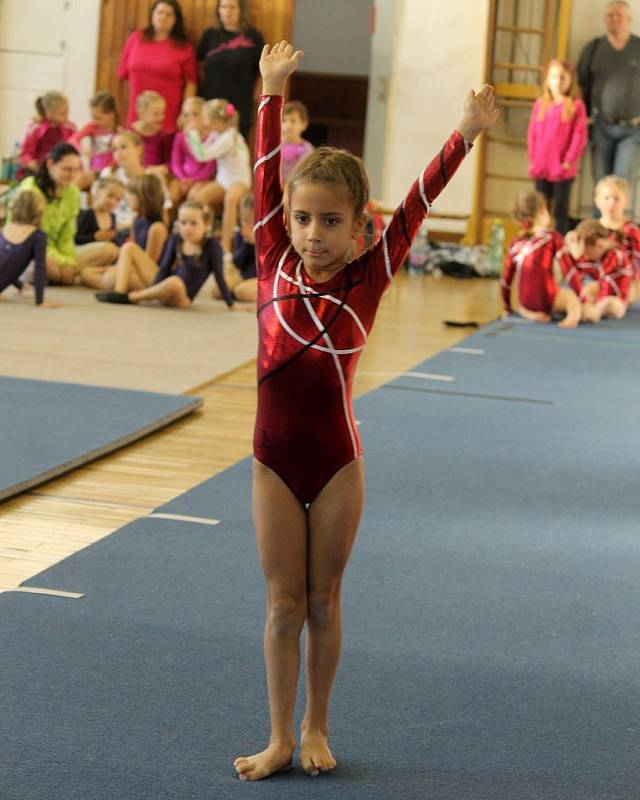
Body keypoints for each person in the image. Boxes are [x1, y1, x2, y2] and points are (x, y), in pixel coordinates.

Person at [232, 41, 498, 782]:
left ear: (358, 227)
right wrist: (270, 89)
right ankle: (279, 735)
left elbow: (420, 199)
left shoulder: (371, 275)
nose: (313, 235)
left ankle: (318, 725)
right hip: (272, 462)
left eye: (329, 222)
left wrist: (466, 133)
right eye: (303, 218)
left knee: (323, 598)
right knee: (282, 603)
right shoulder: (271, 257)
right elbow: (263, 168)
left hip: (338, 461)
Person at [95, 200, 234, 309]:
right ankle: (119, 293)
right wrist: (156, 288)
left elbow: (219, 276)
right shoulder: (176, 239)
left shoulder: (212, 246)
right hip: (163, 285)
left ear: (206, 224)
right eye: (183, 223)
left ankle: (131, 298)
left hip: (181, 296)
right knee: (129, 247)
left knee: (175, 282)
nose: (187, 228)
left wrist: (230, 304)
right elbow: (164, 267)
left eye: (193, 223)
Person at [16, 142, 118, 284]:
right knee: (47, 263)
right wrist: (62, 262)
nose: (72, 175)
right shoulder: (30, 189)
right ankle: (59, 274)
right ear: (51, 164)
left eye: (75, 170)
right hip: (32, 251)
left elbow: (67, 237)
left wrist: (68, 261)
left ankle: (61, 275)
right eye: (66, 169)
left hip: (58, 252)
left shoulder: (72, 193)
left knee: (109, 250)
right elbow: (29, 239)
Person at [577, 1, 640, 194]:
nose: (614, 19)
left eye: (618, 15)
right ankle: (598, 225)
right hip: (600, 126)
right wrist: (583, 118)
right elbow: (581, 85)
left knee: (620, 189)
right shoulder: (594, 48)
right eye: (610, 15)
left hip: (632, 130)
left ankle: (617, 226)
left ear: (629, 19)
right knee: (601, 188)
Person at [500, 191, 582, 327]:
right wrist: (580, 296)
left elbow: (505, 281)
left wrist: (507, 307)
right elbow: (569, 271)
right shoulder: (552, 236)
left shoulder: (516, 243)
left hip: (526, 301)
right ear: (543, 210)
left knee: (527, 302)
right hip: (547, 298)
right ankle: (572, 318)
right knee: (570, 298)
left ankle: (527, 311)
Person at [527, 59, 588, 234]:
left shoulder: (576, 106)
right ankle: (539, 241)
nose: (558, 81)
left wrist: (568, 161)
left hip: (562, 169)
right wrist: (533, 158)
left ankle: (559, 245)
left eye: (562, 77)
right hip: (541, 166)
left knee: (560, 210)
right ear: (548, 79)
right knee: (540, 208)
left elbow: (579, 137)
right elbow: (532, 134)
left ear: (570, 80)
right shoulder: (540, 104)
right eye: (554, 77)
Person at [118, 0, 196, 133]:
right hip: (137, 118)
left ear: (175, 20)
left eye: (169, 14)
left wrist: (185, 114)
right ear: (152, 15)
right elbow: (123, 74)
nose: (163, 17)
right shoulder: (136, 38)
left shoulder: (184, 47)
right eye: (159, 12)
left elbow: (191, 83)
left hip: (166, 120)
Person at [186, 98, 251, 253]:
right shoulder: (217, 134)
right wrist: (194, 135)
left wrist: (193, 134)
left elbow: (202, 155)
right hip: (223, 180)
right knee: (200, 199)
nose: (204, 121)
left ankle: (226, 244)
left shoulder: (229, 137)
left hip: (239, 180)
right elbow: (202, 150)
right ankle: (203, 235)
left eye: (206, 118)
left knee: (231, 199)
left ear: (216, 121)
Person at [82, 175, 167, 291]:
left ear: (143, 198)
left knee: (110, 278)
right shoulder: (137, 220)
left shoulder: (157, 228)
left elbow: (149, 263)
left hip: (148, 276)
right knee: (86, 273)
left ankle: (118, 288)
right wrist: (116, 268)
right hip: (131, 268)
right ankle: (113, 283)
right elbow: (128, 252)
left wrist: (118, 271)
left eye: (131, 195)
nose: (127, 199)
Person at [196, 0, 264, 139]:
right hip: (211, 102)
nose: (227, 11)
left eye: (232, 7)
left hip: (240, 104)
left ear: (241, 10)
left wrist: (257, 95)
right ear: (218, 10)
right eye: (223, 7)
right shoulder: (210, 34)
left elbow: (263, 69)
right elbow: (197, 62)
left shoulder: (253, 37)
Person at [561, 218, 633, 320]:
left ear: (599, 245)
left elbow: (600, 274)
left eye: (587, 254)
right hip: (600, 295)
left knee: (612, 305)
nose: (586, 257)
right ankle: (583, 307)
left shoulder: (616, 254)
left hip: (617, 300)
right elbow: (577, 273)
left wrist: (577, 256)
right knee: (583, 292)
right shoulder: (601, 251)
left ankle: (592, 311)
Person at [0, 190, 57, 307]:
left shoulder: (5, 229)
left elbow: (6, 262)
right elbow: (39, 268)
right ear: (39, 211)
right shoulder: (38, 235)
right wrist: (40, 301)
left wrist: (19, 285)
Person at [593, 174, 640, 301]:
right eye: (607, 198)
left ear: (626, 201)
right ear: (597, 200)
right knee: (590, 290)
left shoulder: (631, 229)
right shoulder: (593, 228)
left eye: (616, 199)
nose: (611, 203)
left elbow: (637, 259)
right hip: (599, 278)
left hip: (625, 279)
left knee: (622, 295)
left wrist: (637, 284)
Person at [169, 96, 216, 201]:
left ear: (205, 115)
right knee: (171, 194)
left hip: (203, 179)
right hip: (182, 178)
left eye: (195, 114)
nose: (190, 118)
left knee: (193, 196)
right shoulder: (180, 137)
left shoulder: (211, 137)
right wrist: (182, 178)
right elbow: (175, 163)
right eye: (186, 114)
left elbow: (210, 168)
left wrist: (193, 180)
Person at [18, 91, 75, 175]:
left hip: (60, 170)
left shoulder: (69, 128)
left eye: (67, 112)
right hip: (39, 169)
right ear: (48, 114)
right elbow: (26, 153)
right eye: (62, 114)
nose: (66, 116)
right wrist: (30, 162)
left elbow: (73, 150)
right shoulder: (35, 128)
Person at [214, 191, 257, 302]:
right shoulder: (239, 235)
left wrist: (255, 245)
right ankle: (236, 290)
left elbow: (267, 266)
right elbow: (237, 262)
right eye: (244, 220)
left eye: (252, 222)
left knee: (241, 292)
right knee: (217, 289)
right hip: (242, 276)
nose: (246, 225)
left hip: (259, 278)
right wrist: (246, 243)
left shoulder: (267, 238)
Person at [70, 91, 119, 187]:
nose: (95, 121)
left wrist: (109, 168)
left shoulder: (119, 132)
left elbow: (118, 157)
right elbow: (73, 140)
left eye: (99, 118)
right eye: (93, 117)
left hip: (112, 171)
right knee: (79, 179)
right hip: (94, 171)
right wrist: (82, 150)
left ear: (112, 114)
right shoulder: (92, 127)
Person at [131, 91, 174, 169]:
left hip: (154, 175)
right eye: (156, 114)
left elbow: (168, 161)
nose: (161, 117)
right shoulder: (130, 133)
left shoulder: (163, 136)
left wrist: (161, 168)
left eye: (162, 113)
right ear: (142, 112)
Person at [281, 100, 315, 184]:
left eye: (293, 121)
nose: (288, 125)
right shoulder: (275, 146)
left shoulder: (307, 148)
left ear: (304, 124)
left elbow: (303, 172)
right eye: (284, 120)